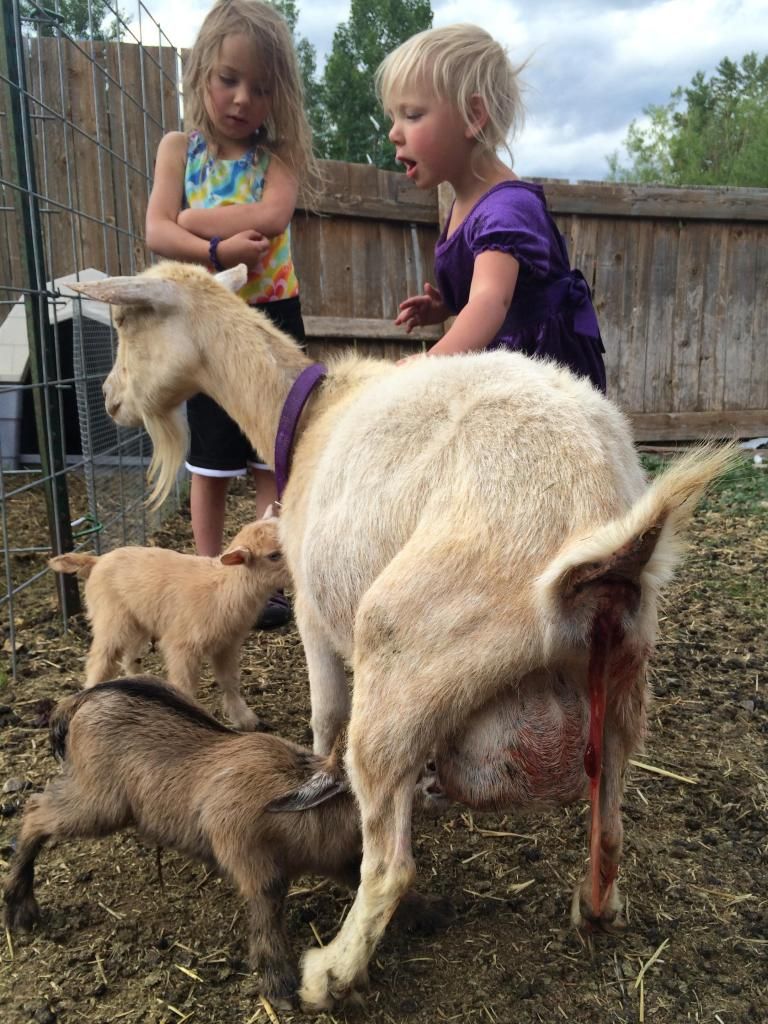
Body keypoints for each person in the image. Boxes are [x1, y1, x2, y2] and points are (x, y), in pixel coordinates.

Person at [146, 0, 318, 627]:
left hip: (272, 321)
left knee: (272, 452)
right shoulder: (177, 150)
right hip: (207, 329)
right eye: (229, 79)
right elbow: (157, 231)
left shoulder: (278, 163)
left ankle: (271, 574)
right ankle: (210, 572)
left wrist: (193, 220)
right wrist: (213, 247)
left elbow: (272, 219)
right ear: (200, 74)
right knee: (212, 458)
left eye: (262, 88)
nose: (243, 98)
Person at [375, 24, 606, 393]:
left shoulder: (506, 210)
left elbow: (490, 300)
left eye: (412, 115)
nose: (393, 132)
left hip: (544, 376)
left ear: (473, 115)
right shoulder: (467, 203)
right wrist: (447, 307)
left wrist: (430, 367)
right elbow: (490, 292)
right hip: (506, 363)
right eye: (393, 117)